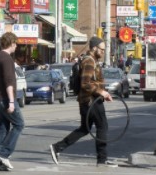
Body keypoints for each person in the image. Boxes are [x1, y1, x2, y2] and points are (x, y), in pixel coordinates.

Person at [49, 36, 117, 167]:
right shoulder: (89, 61)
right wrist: (101, 92)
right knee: (103, 126)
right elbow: (85, 83)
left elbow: (92, 82)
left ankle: (57, 147)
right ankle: (102, 160)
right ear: (94, 48)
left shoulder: (91, 60)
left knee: (84, 129)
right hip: (91, 101)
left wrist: (104, 93)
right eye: (102, 50)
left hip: (87, 101)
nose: (103, 52)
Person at [0, 32, 24, 171]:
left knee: (3, 129)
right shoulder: (7, 58)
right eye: (15, 43)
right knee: (19, 124)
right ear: (11, 43)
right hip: (5, 98)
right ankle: (3, 154)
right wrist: (11, 101)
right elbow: (9, 81)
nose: (16, 46)